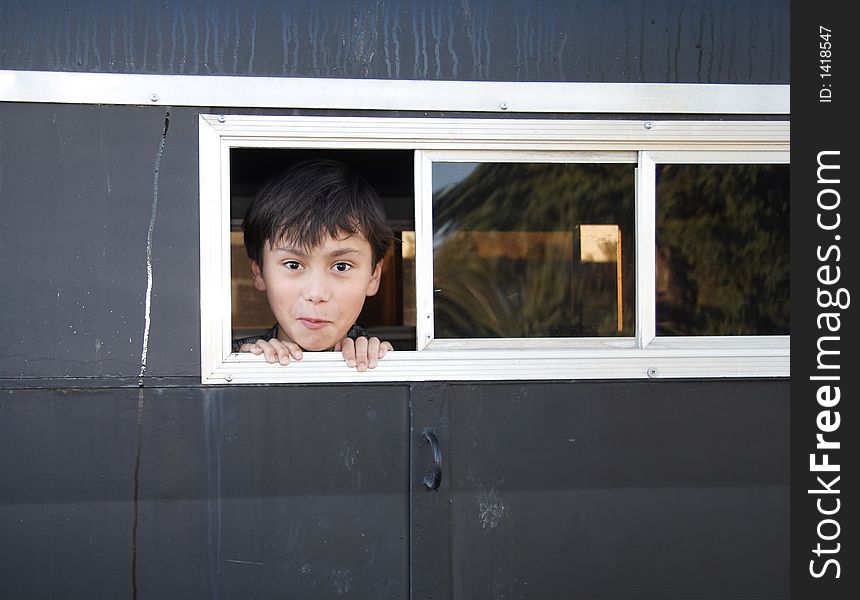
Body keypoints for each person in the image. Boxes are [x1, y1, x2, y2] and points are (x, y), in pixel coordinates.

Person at [232, 159, 394, 371]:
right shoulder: (231, 359)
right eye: (293, 264)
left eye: (341, 266)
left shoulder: (391, 361)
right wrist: (244, 366)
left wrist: (384, 365)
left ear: (373, 277)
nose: (316, 293)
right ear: (259, 272)